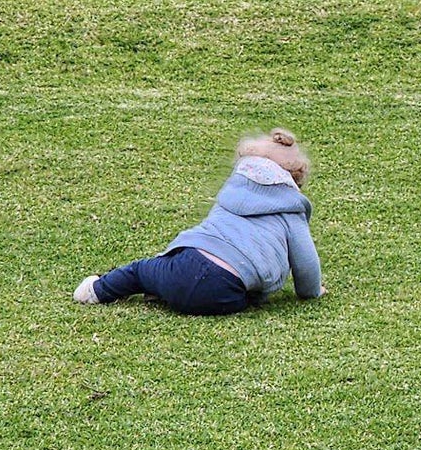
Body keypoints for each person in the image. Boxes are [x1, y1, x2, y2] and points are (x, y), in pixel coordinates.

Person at [74, 128, 323, 315]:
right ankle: (176, 293)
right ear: (294, 180)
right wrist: (311, 292)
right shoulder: (292, 210)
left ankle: (96, 291)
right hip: (226, 294)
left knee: (140, 271)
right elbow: (306, 262)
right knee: (250, 299)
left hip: (185, 264)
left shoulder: (231, 193)